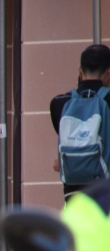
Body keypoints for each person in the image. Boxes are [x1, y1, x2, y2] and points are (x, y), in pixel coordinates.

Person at [50, 44, 110, 202]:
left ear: (80, 71)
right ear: (109, 73)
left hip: (74, 200)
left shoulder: (59, 104)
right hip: (105, 197)